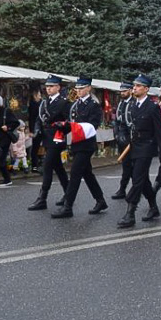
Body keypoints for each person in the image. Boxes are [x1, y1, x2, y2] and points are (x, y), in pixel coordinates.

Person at [51, 77, 108, 218]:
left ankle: (68, 207)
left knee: (75, 173)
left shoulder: (93, 106)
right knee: (87, 174)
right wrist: (63, 127)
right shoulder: (75, 105)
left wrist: (71, 126)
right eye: (77, 88)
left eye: (81, 88)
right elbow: (71, 124)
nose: (78, 91)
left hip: (86, 145)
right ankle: (100, 201)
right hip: (76, 144)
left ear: (89, 88)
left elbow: (92, 126)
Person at [118, 75, 161, 228]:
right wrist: (123, 136)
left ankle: (130, 213)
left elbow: (160, 130)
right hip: (134, 146)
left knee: (137, 178)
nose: (135, 88)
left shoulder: (153, 107)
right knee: (143, 180)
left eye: (138, 86)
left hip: (146, 147)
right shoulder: (132, 106)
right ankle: (154, 207)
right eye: (134, 85)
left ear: (146, 89)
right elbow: (126, 124)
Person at [27, 76, 71, 211]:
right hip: (46, 137)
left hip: (57, 138)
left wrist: (62, 128)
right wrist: (36, 130)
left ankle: (42, 198)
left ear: (58, 87)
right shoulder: (44, 103)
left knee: (47, 166)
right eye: (47, 87)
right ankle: (69, 194)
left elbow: (69, 122)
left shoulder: (64, 102)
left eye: (51, 86)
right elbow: (39, 119)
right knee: (58, 168)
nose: (48, 89)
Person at [111, 82, 134, 200]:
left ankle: (130, 189)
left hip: (131, 138)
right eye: (121, 91)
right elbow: (116, 120)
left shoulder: (133, 102)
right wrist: (116, 133)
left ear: (130, 90)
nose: (122, 93)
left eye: (125, 91)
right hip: (121, 136)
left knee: (132, 166)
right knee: (126, 166)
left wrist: (130, 138)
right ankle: (123, 189)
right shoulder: (120, 103)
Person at [28, 87, 43, 172]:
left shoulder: (41, 104)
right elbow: (32, 118)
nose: (40, 97)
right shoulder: (33, 105)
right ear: (34, 96)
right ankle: (34, 165)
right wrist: (32, 130)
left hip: (41, 128)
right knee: (35, 147)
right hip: (35, 129)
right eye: (39, 95)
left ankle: (39, 163)